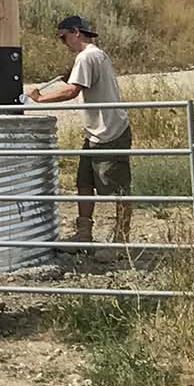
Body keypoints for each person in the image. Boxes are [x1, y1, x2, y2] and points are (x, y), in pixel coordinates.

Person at [24, 15, 131, 246]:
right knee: (84, 181)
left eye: (64, 38)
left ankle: (122, 238)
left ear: (75, 32)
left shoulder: (85, 57)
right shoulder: (97, 55)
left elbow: (72, 91)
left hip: (109, 131)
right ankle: (84, 233)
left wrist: (40, 99)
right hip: (98, 130)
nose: (64, 43)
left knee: (117, 186)